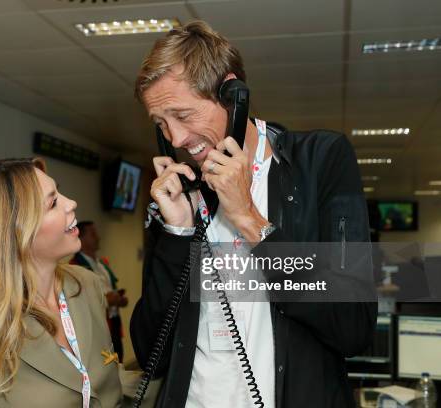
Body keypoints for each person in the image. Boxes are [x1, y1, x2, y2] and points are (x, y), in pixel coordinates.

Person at [130, 21, 377, 408]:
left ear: (233, 95)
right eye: (162, 124)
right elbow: (150, 353)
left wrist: (250, 220)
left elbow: (353, 326)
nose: (176, 139)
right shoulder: (182, 192)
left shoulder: (321, 161)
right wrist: (177, 234)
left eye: (183, 115)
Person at [0, 158, 122, 407]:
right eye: (53, 202)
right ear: (14, 234)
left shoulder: (86, 286)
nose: (72, 203)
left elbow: (103, 380)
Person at [71, 221, 128, 362]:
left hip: (113, 322)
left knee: (118, 361)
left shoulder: (102, 264)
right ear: (81, 238)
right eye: (93, 234)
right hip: (98, 327)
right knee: (105, 366)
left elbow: (110, 289)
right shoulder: (74, 267)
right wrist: (108, 300)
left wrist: (119, 300)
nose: (98, 237)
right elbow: (79, 302)